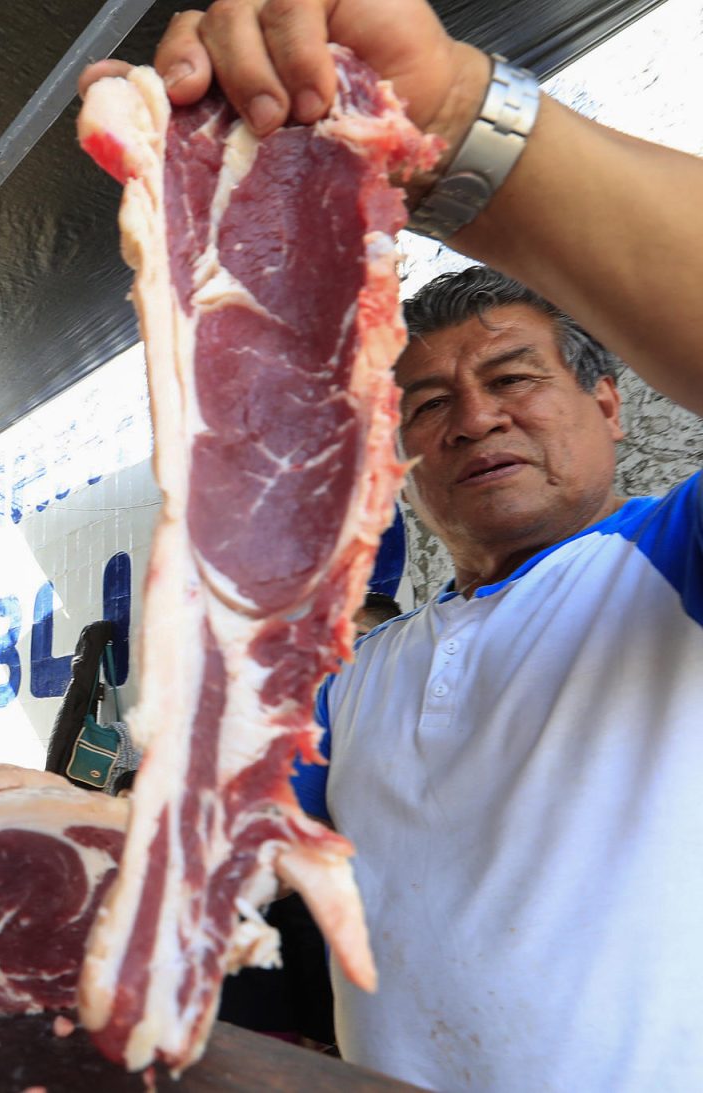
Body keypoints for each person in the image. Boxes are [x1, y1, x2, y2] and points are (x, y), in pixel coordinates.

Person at [84, 3, 703, 1089]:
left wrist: (463, 120)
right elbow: (209, 861)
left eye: (513, 378)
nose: (471, 419)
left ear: (608, 404)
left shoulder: (672, 565)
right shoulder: (357, 677)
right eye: (426, 403)